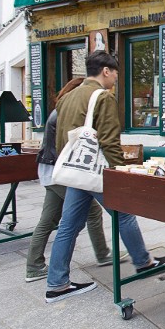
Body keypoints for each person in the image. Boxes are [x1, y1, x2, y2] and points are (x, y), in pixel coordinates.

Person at [45, 51, 165, 303]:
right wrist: (120, 173)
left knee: (68, 226)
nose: (116, 77)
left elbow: (60, 138)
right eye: (115, 72)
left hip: (76, 172)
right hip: (97, 172)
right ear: (105, 71)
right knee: (124, 213)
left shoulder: (67, 97)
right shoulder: (102, 97)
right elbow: (110, 142)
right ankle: (143, 261)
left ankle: (57, 283)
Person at [26, 78, 113, 283]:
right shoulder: (66, 112)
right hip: (60, 172)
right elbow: (73, 147)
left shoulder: (59, 109)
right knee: (91, 211)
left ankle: (33, 266)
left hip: (50, 170)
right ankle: (102, 254)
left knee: (48, 220)